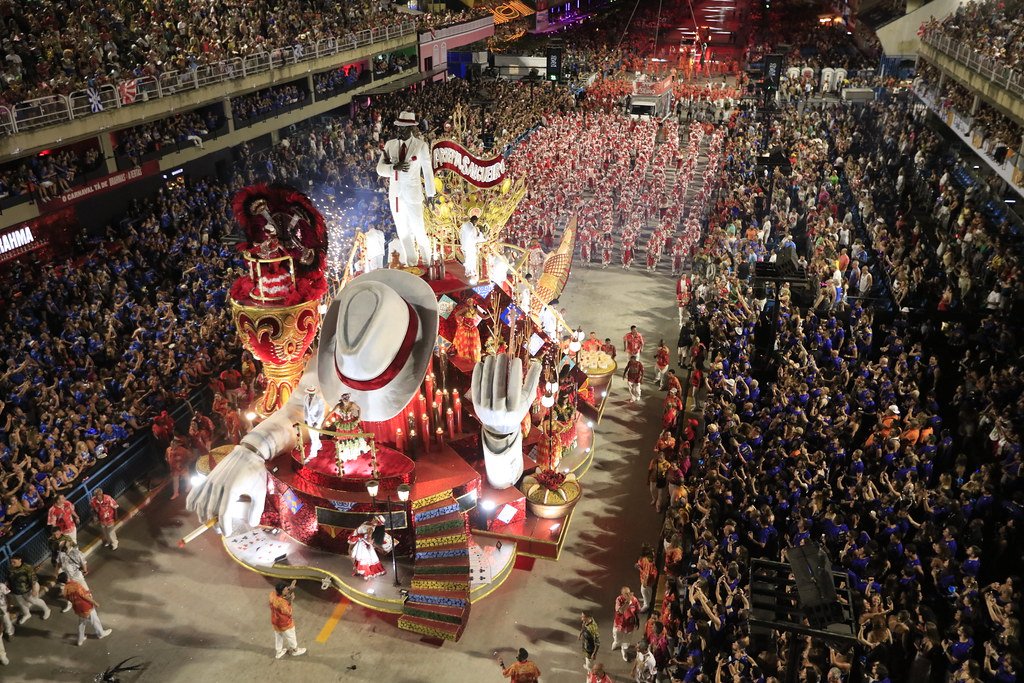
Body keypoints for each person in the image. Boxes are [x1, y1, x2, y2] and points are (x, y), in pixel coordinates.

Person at [376, 111, 436, 266]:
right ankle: (412, 263)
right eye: (398, 127)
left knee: (419, 230)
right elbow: (379, 169)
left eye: (403, 127)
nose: (399, 130)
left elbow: (428, 171)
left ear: (411, 128)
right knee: (402, 231)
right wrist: (393, 167)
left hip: (413, 194)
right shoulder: (390, 145)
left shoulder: (420, 146)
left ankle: (428, 262)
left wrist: (431, 194)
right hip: (395, 195)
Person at [61, 572, 111, 646]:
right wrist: (94, 602)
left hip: (78, 608)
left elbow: (69, 598)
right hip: (86, 606)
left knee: (81, 624)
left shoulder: (65, 590)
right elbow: (84, 596)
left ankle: (80, 640)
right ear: (67, 577)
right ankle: (101, 633)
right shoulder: (76, 585)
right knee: (94, 620)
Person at [5, 555, 50, 624]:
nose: (12, 564)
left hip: (27, 589)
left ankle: (46, 610)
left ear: (20, 560)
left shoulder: (27, 568)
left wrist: (34, 590)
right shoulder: (11, 568)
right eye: (11, 562)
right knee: (21, 604)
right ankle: (27, 614)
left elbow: (33, 580)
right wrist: (8, 585)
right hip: (16, 590)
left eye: (14, 562)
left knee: (34, 601)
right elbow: (8, 578)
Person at [270, 580, 306, 659]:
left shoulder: (272, 595)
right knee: (291, 636)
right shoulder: (282, 603)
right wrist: (290, 600)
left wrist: (290, 587)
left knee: (279, 636)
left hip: (276, 622)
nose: (287, 590)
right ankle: (295, 650)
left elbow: (278, 593)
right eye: (286, 589)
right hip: (285, 623)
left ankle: (278, 652)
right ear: (281, 591)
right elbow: (289, 612)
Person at [348, 515, 387, 580]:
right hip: (356, 538)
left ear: (378, 523)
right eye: (375, 518)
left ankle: (363, 572)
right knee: (351, 553)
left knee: (360, 558)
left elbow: (368, 539)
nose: (374, 519)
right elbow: (360, 529)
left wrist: (371, 543)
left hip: (361, 542)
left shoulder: (371, 528)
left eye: (376, 520)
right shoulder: (366, 522)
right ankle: (357, 570)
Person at [612, 586, 641, 657]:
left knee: (627, 639)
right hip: (619, 624)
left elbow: (638, 610)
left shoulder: (634, 600)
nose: (628, 595)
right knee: (617, 636)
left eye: (629, 593)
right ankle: (616, 642)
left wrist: (637, 620)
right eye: (625, 594)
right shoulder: (619, 599)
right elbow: (620, 611)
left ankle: (624, 649)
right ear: (622, 594)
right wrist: (627, 603)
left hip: (629, 625)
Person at [460, 215, 484, 281]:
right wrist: (481, 234)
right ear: (475, 221)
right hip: (471, 247)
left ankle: (468, 272)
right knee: (472, 260)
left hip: (464, 245)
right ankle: (471, 273)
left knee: (468, 259)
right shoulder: (473, 228)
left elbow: (460, 235)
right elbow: (476, 239)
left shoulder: (464, 225)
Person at [636, 545, 658, 612]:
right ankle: (648, 600)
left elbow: (647, 573)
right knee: (648, 589)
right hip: (650, 578)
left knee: (644, 590)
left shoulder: (646, 561)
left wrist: (645, 581)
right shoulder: (648, 559)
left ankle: (646, 604)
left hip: (647, 579)